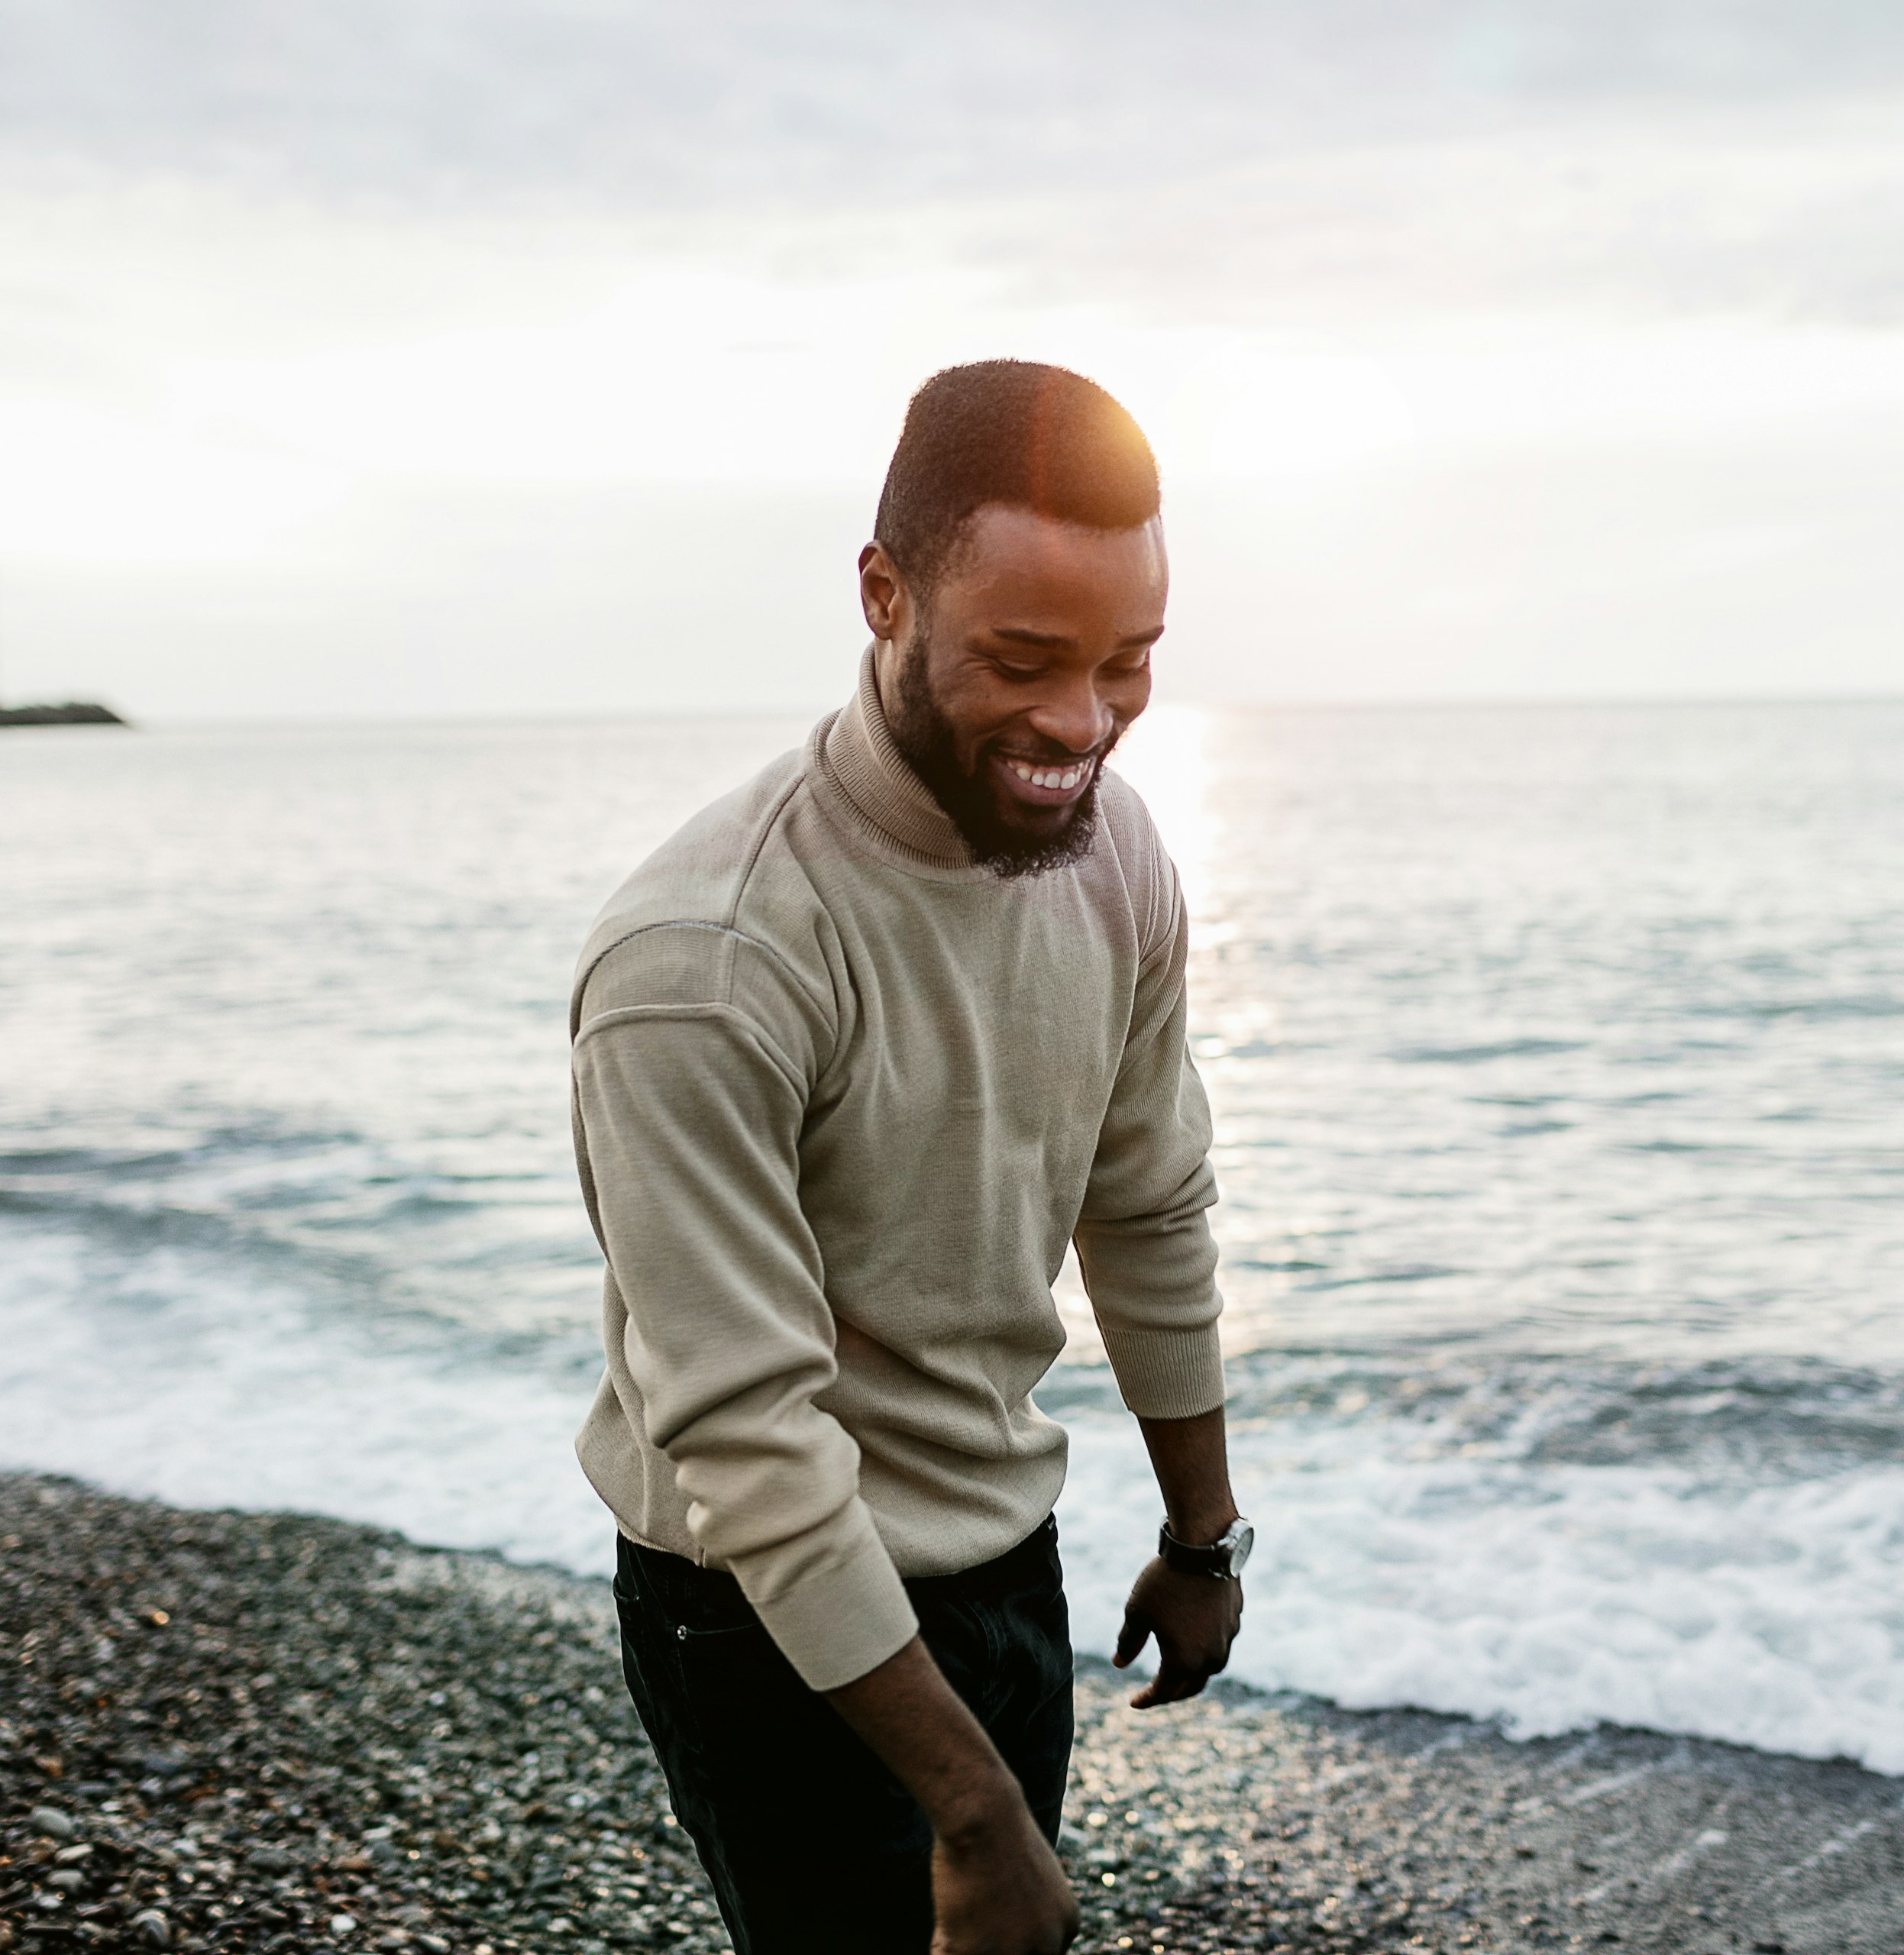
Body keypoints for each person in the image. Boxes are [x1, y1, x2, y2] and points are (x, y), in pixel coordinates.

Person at [566, 359, 1253, 1955]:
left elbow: (1148, 1199)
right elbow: (745, 1433)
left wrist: (1202, 1532)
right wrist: (978, 1810)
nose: (1081, 725)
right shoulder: (705, 959)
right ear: (885, 594)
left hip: (1004, 1544)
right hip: (762, 1600)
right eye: (1024, 659)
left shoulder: (1117, 852)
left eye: (1128, 666)